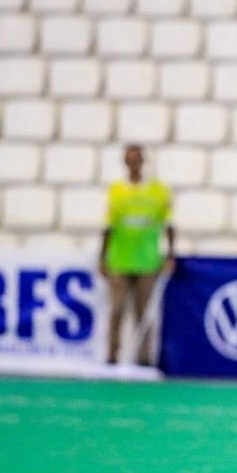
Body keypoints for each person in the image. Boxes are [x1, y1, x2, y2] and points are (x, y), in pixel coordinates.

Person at [98, 144, 175, 366]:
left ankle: (144, 358)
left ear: (143, 161)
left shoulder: (158, 191)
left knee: (145, 313)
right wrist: (102, 258)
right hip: (119, 260)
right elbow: (108, 226)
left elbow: (169, 224)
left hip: (148, 260)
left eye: (137, 159)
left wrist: (169, 255)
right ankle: (112, 355)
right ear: (125, 162)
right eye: (129, 159)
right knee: (117, 309)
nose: (133, 163)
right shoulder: (117, 190)